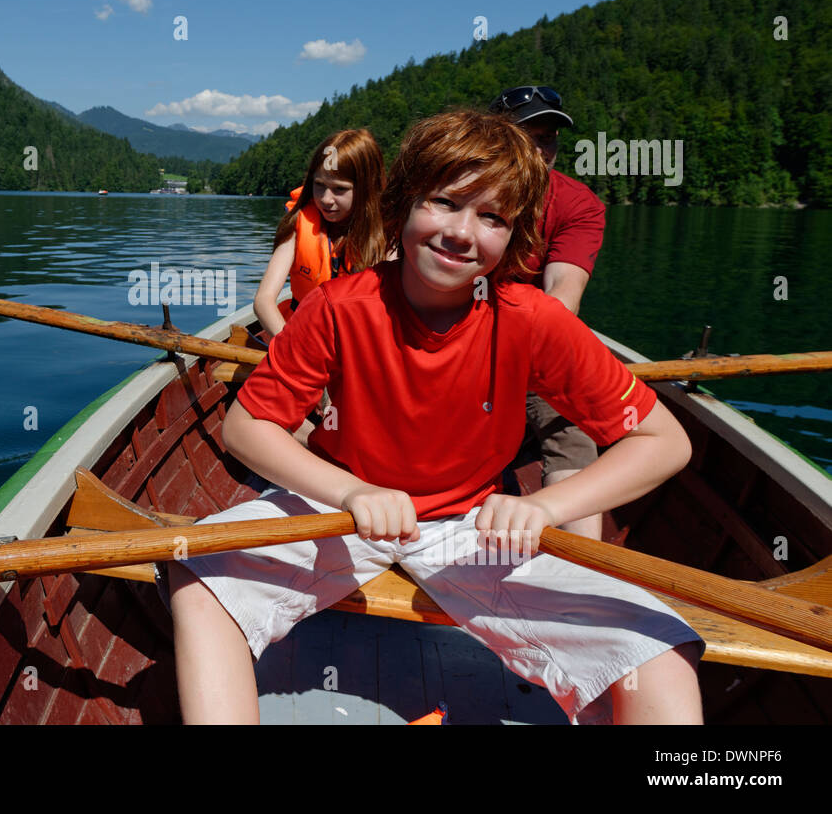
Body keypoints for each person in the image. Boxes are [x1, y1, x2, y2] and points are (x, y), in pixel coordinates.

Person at [165, 109, 702, 725]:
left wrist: (544, 507)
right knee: (200, 582)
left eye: (492, 216)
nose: (462, 233)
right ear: (402, 205)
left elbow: (664, 442)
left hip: (474, 528)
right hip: (340, 509)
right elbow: (247, 427)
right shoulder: (340, 307)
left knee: (661, 650)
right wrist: (352, 490)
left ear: (515, 236)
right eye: (444, 202)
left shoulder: (532, 319)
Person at [490, 85, 606, 539]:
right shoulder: (459, 191)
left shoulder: (577, 204)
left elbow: (564, 292)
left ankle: (581, 573)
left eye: (549, 137)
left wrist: (517, 356)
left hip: (535, 342)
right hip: (449, 332)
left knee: (573, 433)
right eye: (528, 136)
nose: (541, 149)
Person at [252, 129, 387, 339]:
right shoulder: (298, 225)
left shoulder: (388, 236)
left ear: (366, 188)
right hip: (300, 335)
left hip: (358, 341)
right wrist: (292, 346)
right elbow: (263, 300)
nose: (325, 199)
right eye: (319, 185)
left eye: (340, 189)